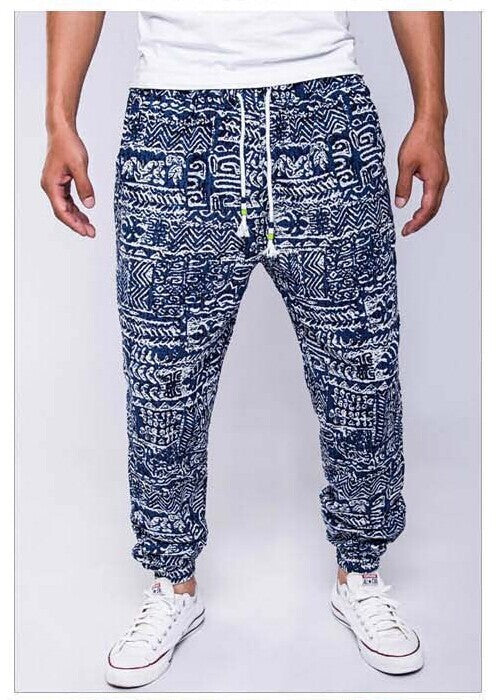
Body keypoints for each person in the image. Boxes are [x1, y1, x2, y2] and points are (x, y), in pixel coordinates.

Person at [41, 10, 449, 688]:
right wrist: (59, 119)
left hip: (325, 109)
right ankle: (171, 584)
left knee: (362, 370)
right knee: (163, 382)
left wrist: (431, 114)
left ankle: (361, 574)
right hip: (172, 123)